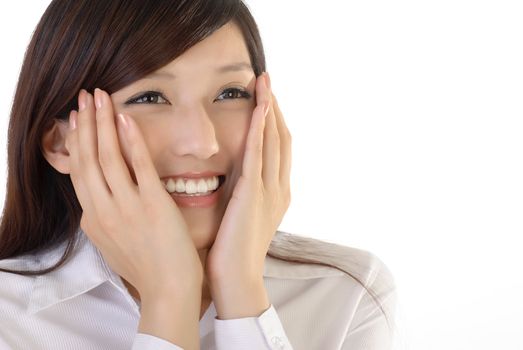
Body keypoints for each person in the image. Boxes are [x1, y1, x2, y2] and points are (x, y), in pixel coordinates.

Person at [0, 1, 396, 349]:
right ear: (62, 143)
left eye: (229, 93)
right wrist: (169, 299)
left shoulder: (345, 294)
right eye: (150, 97)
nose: (202, 142)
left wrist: (243, 292)